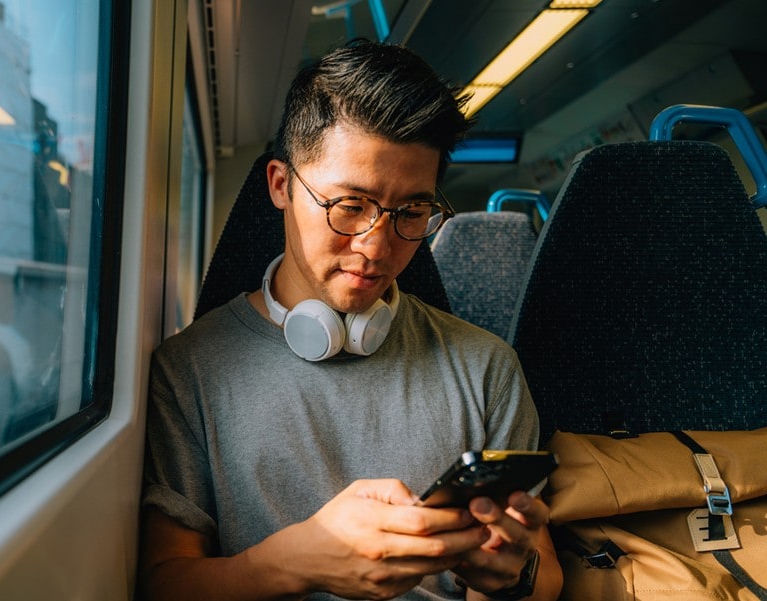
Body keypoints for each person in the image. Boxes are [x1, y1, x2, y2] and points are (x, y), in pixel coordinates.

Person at [138, 38, 562, 601]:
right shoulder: (188, 370)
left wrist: (511, 578)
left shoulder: (486, 367)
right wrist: (294, 562)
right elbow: (163, 584)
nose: (377, 245)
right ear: (281, 186)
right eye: (349, 205)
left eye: (411, 212)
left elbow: (544, 572)